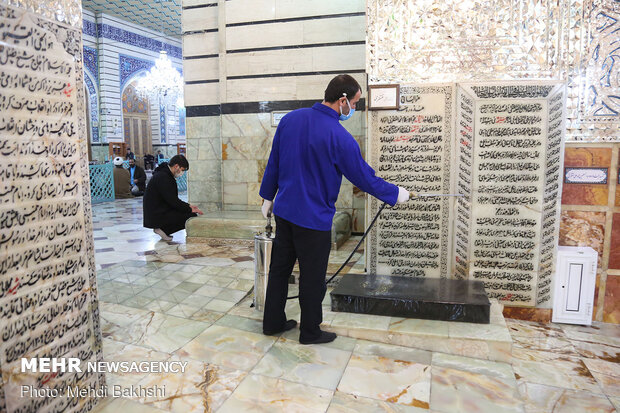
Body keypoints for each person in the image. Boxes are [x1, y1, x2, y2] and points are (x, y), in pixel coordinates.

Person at [259, 74, 410, 345]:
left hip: (284, 212)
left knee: (280, 270)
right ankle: (310, 332)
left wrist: (267, 197)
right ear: (342, 100)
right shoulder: (340, 137)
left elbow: (274, 162)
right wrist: (395, 193)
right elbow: (363, 178)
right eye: (354, 102)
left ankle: (272, 323)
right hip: (313, 219)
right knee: (312, 278)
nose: (354, 108)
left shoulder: (290, 120)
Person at [143, 154, 203, 241]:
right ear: (176, 166)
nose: (182, 173)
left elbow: (172, 199)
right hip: (157, 214)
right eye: (182, 170)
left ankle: (164, 230)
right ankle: (162, 229)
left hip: (157, 211)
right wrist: (189, 209)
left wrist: (188, 206)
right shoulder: (164, 177)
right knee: (190, 216)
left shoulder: (164, 174)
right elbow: (173, 201)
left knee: (186, 212)